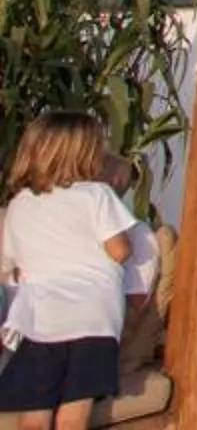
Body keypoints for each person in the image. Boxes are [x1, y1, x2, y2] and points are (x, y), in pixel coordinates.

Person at [0, 110, 142, 430]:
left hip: (40, 318)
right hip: (92, 318)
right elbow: (119, 251)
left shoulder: (20, 204)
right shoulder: (96, 195)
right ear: (85, 154)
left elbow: (10, 265)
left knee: (34, 412)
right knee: (73, 414)